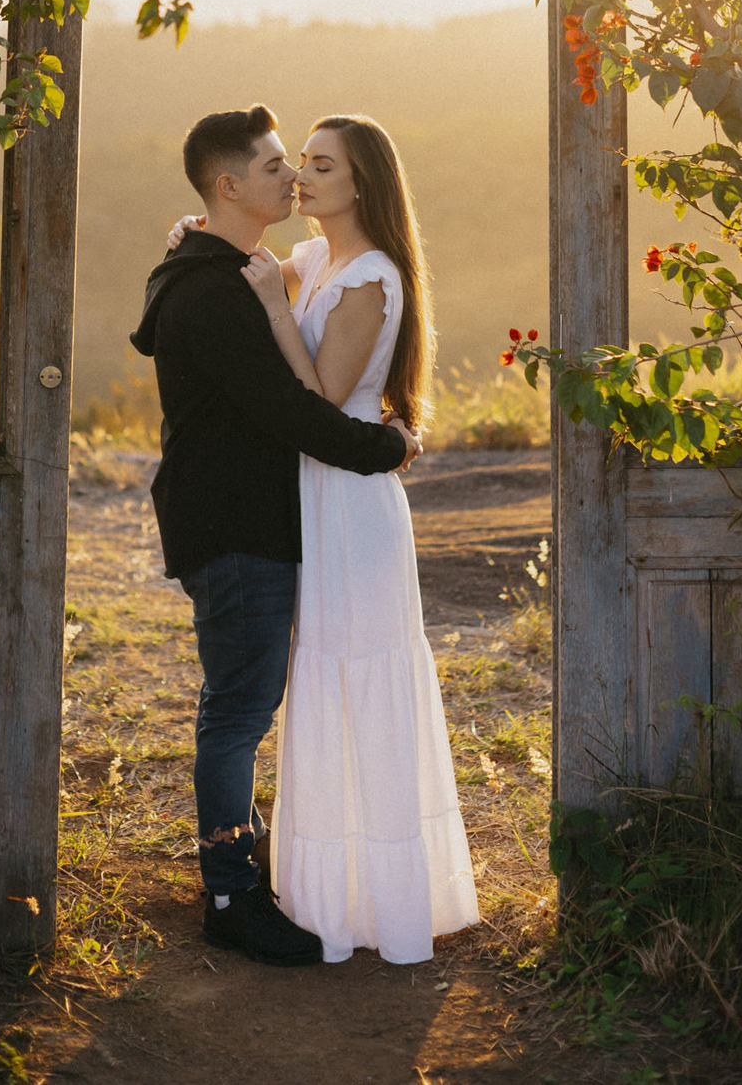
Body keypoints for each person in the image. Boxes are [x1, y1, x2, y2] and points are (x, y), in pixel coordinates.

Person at [174, 114, 479, 965]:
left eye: (321, 164)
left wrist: (273, 307)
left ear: (363, 184)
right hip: (306, 498)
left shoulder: (368, 276)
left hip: (347, 500)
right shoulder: (313, 259)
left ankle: (376, 897)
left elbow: (316, 399)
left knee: (356, 678)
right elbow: (225, 240)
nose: (303, 176)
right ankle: (316, 885)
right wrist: (193, 235)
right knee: (308, 687)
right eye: (298, 161)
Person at [130, 103, 419, 969]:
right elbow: (291, 409)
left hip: (250, 519)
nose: (289, 177)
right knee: (238, 712)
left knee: (242, 704)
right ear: (228, 185)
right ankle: (230, 894)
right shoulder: (215, 289)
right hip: (236, 524)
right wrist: (386, 446)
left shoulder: (221, 263)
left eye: (303, 164)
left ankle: (249, 873)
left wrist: (194, 234)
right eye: (273, 166)